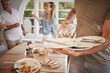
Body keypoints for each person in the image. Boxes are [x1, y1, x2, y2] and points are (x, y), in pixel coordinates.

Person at [51, 0, 110, 73]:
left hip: (100, 60)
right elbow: (75, 9)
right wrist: (67, 21)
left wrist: (80, 52)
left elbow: (107, 39)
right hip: (77, 57)